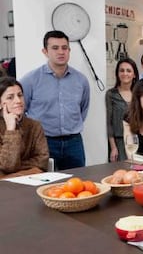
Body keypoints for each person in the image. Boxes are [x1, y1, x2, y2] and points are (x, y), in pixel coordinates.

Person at [20, 30, 90, 170]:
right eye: (55, 48)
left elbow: (83, 109)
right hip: (43, 142)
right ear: (45, 51)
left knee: (78, 182)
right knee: (45, 184)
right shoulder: (30, 80)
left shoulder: (81, 80)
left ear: (69, 50)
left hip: (74, 142)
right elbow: (21, 111)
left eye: (64, 48)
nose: (61, 52)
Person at [0, 77, 49, 178]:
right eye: (10, 97)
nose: (18, 100)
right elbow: (8, 165)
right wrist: (10, 129)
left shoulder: (34, 126)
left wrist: (16, 169)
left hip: (30, 181)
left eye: (20, 95)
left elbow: (42, 161)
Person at [105, 58, 138, 162]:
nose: (125, 73)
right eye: (121, 70)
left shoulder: (139, 94)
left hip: (137, 141)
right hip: (119, 143)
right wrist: (113, 147)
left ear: (134, 74)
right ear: (117, 74)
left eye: (128, 70)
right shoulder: (111, 94)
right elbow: (109, 123)